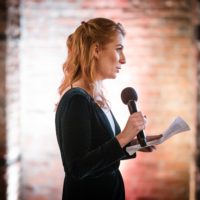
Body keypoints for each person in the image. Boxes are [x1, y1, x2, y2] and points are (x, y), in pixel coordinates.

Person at [55, 18, 161, 200]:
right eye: (118, 49)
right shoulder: (76, 100)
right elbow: (77, 168)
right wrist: (123, 137)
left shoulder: (96, 98)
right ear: (96, 50)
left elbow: (100, 151)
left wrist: (132, 144)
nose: (124, 59)